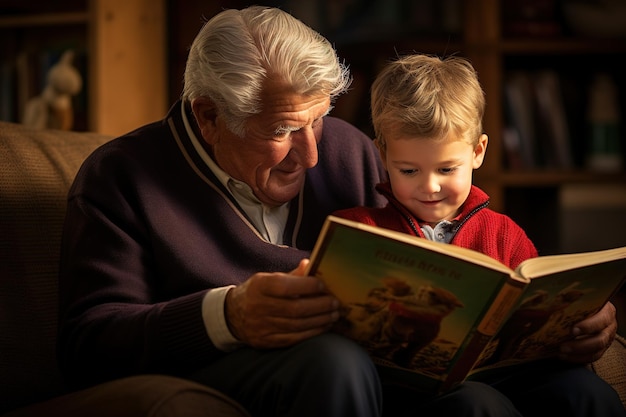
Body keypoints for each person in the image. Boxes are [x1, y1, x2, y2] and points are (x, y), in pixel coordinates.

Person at [56, 6, 620, 417]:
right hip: (235, 362)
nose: (313, 154)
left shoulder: (350, 148)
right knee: (334, 362)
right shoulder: (121, 177)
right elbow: (89, 341)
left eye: (318, 119)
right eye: (281, 130)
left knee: (575, 393)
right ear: (208, 117)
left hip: (392, 369)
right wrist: (226, 316)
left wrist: (572, 324)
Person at [333, 53, 625, 416]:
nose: (430, 186)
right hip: (406, 390)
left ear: (478, 152)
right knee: (477, 404)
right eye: (408, 170)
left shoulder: (505, 235)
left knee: (589, 395)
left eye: (446, 168)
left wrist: (577, 319)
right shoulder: (359, 229)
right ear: (382, 154)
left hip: (509, 377)